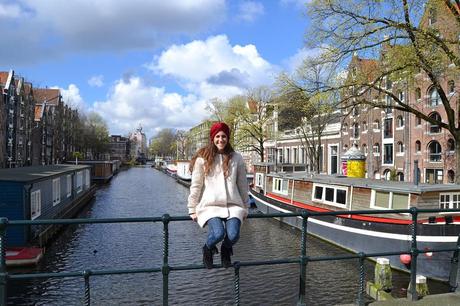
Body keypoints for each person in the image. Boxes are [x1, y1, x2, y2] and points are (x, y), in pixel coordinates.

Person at [188, 122, 249, 269]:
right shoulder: (202, 159)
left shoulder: (236, 158)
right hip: (211, 206)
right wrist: (192, 208)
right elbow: (196, 185)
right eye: (217, 136)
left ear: (227, 138)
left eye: (223, 136)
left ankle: (225, 249)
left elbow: (242, 184)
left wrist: (246, 206)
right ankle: (207, 248)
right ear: (212, 138)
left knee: (233, 235)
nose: (220, 140)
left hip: (233, 205)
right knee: (218, 234)